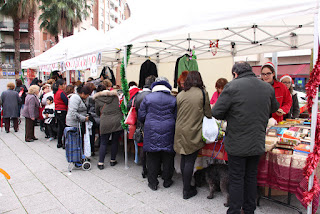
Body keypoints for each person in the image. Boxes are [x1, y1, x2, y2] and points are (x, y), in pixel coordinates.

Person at [212, 62, 279, 214]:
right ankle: (249, 210)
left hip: (237, 143)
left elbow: (216, 112)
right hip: (256, 141)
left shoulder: (232, 86)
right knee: (250, 177)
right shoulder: (267, 87)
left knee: (236, 178)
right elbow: (274, 107)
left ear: (235, 73)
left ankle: (234, 210)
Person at [174, 71, 212, 199]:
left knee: (184, 158)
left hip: (179, 129)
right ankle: (186, 190)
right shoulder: (202, 93)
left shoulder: (180, 94)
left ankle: (186, 186)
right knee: (190, 159)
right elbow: (208, 114)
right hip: (193, 130)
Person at [138, 77, 177, 191]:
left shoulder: (148, 98)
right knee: (168, 156)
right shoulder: (173, 99)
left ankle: (153, 182)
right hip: (169, 128)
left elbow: (141, 116)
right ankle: (167, 180)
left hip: (151, 128)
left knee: (152, 156)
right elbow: (176, 116)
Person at [129, 75, 156, 178]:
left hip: (140, 125)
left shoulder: (137, 95)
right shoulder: (151, 95)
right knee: (151, 150)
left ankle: (144, 169)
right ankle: (150, 170)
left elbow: (131, 108)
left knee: (143, 148)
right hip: (149, 124)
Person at [94, 85, 123, 169]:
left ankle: (101, 162)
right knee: (115, 141)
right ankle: (113, 160)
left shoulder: (97, 99)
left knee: (103, 142)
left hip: (105, 121)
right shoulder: (115, 96)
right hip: (116, 120)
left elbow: (97, 112)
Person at [53, 79, 68, 148]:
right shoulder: (61, 92)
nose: (65, 86)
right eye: (64, 84)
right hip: (62, 110)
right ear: (60, 86)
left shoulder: (56, 92)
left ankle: (59, 142)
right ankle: (65, 143)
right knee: (64, 127)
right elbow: (66, 101)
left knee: (60, 127)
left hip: (57, 110)